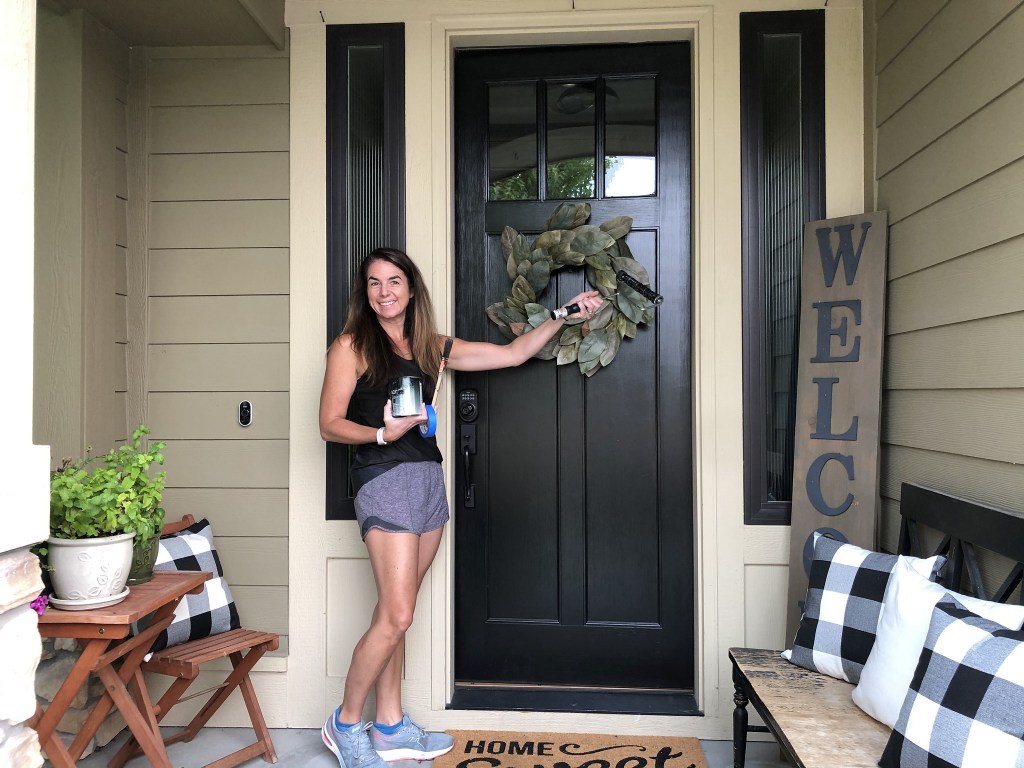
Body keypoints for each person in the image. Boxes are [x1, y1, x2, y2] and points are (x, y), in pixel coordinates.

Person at [318, 247, 602, 768]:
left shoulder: (432, 346)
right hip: (383, 479)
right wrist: (381, 433)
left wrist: (563, 315)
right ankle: (345, 722)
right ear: (366, 292)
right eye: (375, 283)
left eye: (394, 281)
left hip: (428, 477)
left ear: (411, 288)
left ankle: (390, 725)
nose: (385, 292)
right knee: (399, 614)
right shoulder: (352, 346)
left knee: (393, 614)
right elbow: (330, 423)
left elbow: (512, 354)